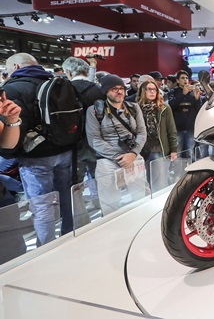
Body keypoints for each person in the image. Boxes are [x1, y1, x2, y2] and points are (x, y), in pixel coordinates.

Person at [0, 53, 74, 246]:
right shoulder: (58, 83)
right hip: (64, 150)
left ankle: (47, 247)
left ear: (16, 67)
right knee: (67, 198)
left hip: (35, 157)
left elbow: (12, 134)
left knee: (42, 206)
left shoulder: (12, 89)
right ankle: (70, 236)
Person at [86, 75, 147, 215]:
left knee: (141, 198)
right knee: (110, 205)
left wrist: (133, 154)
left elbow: (142, 133)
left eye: (121, 89)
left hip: (133, 156)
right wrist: (119, 157)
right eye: (114, 89)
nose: (119, 92)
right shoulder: (94, 111)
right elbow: (94, 139)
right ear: (106, 91)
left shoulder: (133, 107)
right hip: (107, 161)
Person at [136, 80, 178, 188]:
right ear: (143, 91)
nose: (152, 92)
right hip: (142, 151)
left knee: (159, 184)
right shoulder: (136, 108)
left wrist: (174, 149)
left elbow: (171, 130)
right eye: (149, 89)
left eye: (154, 89)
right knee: (144, 184)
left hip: (160, 149)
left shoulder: (164, 108)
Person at [167, 70, 203, 158]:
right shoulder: (173, 92)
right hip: (177, 128)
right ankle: (177, 167)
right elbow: (172, 105)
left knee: (190, 153)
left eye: (187, 78)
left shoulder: (193, 92)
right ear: (177, 80)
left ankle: (189, 167)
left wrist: (197, 99)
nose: (185, 80)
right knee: (177, 153)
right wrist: (183, 94)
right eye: (183, 78)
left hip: (190, 128)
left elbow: (199, 109)